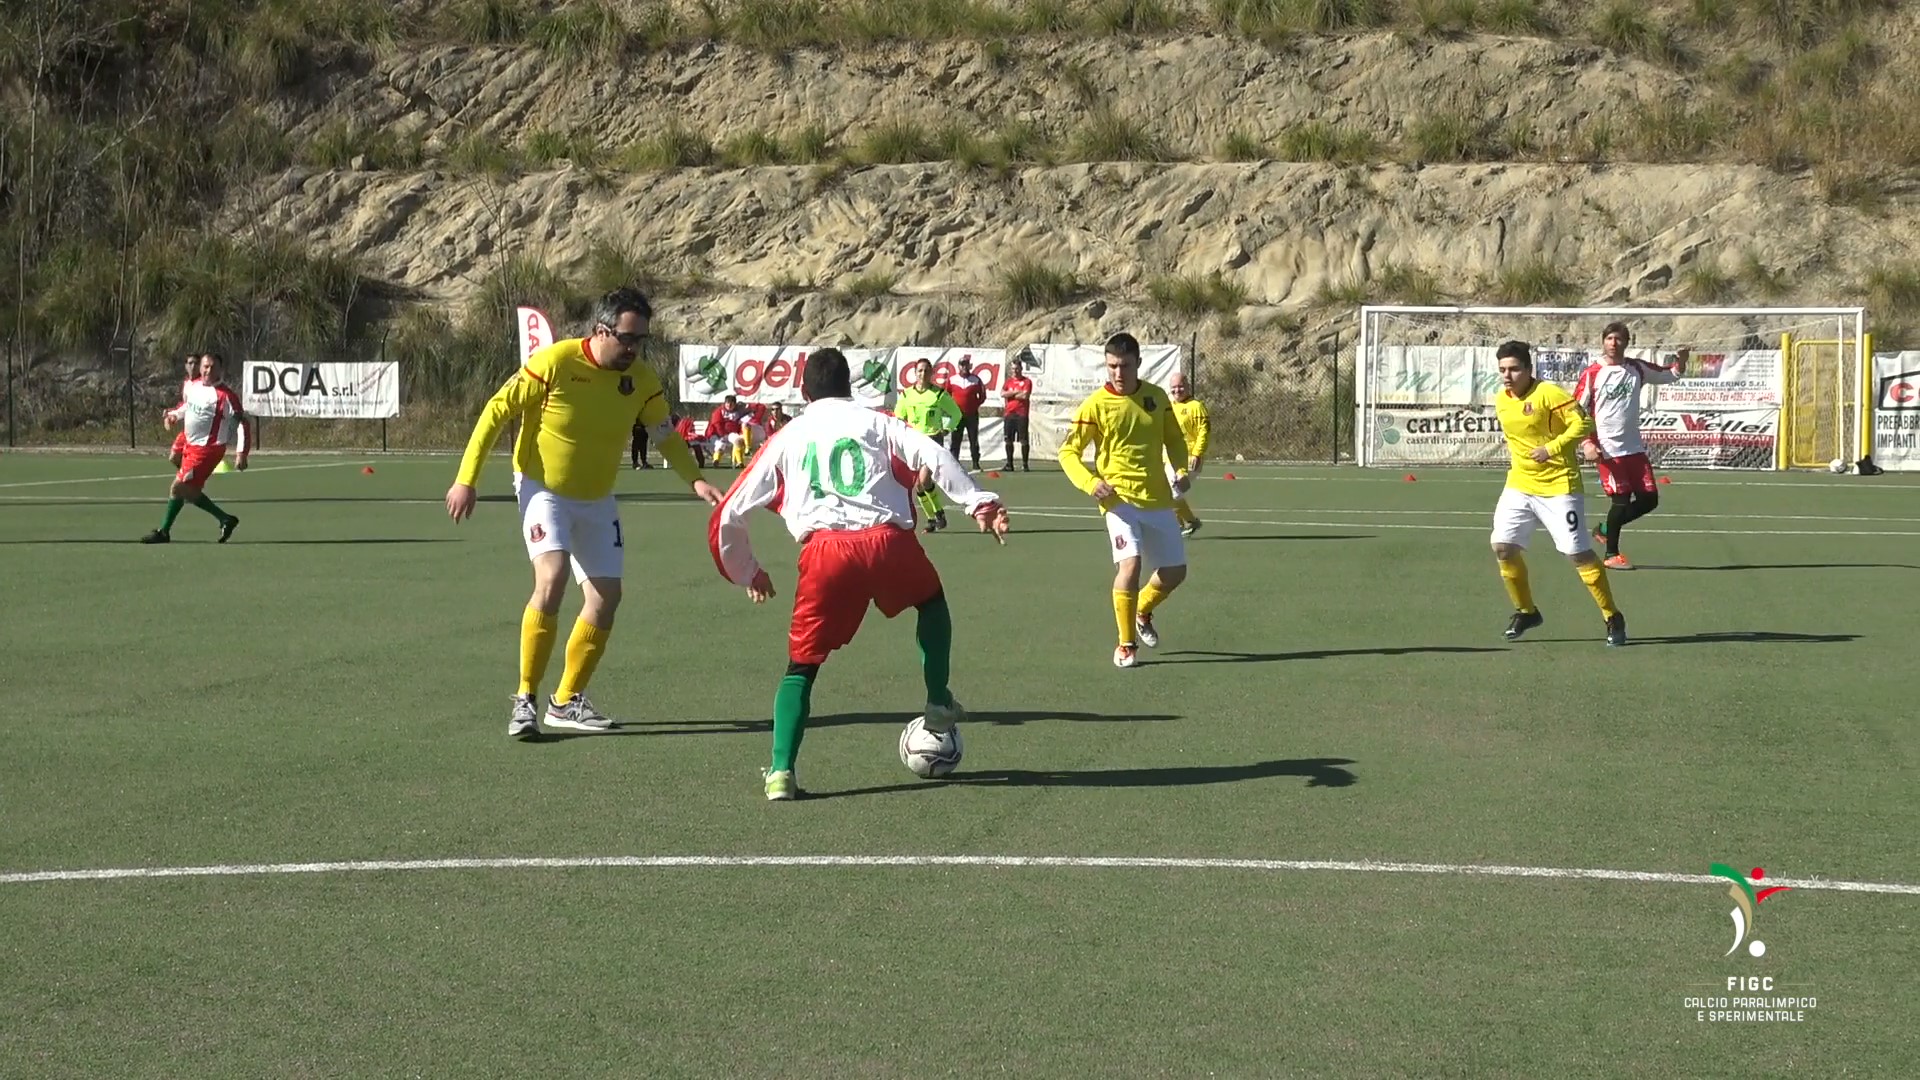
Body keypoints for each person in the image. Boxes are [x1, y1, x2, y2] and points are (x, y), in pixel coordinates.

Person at [709, 347, 1010, 800]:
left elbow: (730, 511)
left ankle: (780, 772)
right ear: (850, 386)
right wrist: (978, 502)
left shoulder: (787, 436)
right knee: (930, 602)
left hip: (825, 555)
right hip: (887, 541)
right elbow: (935, 454)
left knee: (802, 666)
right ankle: (936, 699)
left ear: (804, 391)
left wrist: (748, 571)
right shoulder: (879, 421)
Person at [445, 287, 723, 738]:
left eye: (642, 340)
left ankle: (566, 700)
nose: (634, 348)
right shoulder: (555, 362)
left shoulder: (643, 381)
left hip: (597, 497)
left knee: (605, 599)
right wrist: (466, 479)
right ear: (601, 331)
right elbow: (497, 412)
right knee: (551, 579)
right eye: (627, 338)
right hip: (543, 488)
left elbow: (665, 435)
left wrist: (694, 479)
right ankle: (525, 701)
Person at [1057, 332, 1191, 669]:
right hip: (1119, 500)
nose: (1118, 373)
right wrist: (1090, 482)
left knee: (1175, 572)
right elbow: (1068, 452)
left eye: (1125, 366)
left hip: (1158, 497)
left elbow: (1174, 439)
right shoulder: (1095, 405)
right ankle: (1126, 643)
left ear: (1138, 364)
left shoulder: (1157, 398)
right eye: (1112, 366)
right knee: (1130, 566)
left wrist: (1179, 468)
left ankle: (1143, 609)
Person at [1489, 339, 1626, 647]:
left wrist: (1550, 448)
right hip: (1520, 485)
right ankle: (1526, 611)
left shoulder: (1549, 393)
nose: (1507, 376)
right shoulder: (1501, 398)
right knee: (1502, 547)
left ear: (1528, 369)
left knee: (1578, 555)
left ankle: (1612, 615)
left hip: (1559, 488)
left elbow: (1583, 424)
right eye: (1502, 370)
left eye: (1513, 369)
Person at [1573, 321, 1681, 570]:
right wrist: (1587, 442)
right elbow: (1575, 410)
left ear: (1626, 342)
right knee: (1620, 500)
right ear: (1603, 341)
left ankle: (1603, 529)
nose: (1613, 343)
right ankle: (1611, 554)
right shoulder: (1592, 373)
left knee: (1649, 500)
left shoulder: (1636, 368)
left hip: (1634, 448)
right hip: (1608, 449)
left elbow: (1668, 374)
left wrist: (1681, 362)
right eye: (1609, 338)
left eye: (1619, 339)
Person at [143, 352, 250, 544]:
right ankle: (225, 519)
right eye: (205, 366)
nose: (208, 370)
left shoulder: (226, 397)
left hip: (207, 450)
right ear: (201, 368)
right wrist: (174, 415)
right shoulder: (194, 386)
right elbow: (187, 407)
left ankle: (164, 532)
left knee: (178, 487)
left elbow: (242, 423)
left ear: (220, 370)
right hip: (190, 444)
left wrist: (242, 453)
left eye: (213, 367)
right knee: (187, 491)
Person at [895, 359, 961, 532]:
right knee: (918, 485)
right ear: (915, 373)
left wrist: (947, 429)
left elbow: (956, 414)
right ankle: (934, 517)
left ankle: (937, 516)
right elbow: (898, 418)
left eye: (926, 371)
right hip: (913, 442)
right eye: (920, 371)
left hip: (932, 440)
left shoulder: (939, 394)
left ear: (931, 374)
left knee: (924, 479)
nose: (922, 374)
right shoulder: (906, 395)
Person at [1166, 370, 1210, 537]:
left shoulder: (1196, 407)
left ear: (1188, 387)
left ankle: (1191, 521)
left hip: (1189, 458)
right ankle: (1176, 525)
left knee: (1173, 491)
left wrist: (1197, 454)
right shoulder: (1169, 406)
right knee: (1164, 492)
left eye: (1181, 386)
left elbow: (1203, 432)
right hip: (1169, 457)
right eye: (1174, 387)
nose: (1177, 390)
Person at [944, 357, 986, 470]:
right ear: (959, 366)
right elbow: (946, 395)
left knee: (974, 439)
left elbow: (982, 396)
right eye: (962, 365)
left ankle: (976, 463)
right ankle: (954, 462)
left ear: (969, 366)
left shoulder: (976, 379)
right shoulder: (952, 379)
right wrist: (951, 408)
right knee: (955, 440)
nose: (964, 367)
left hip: (972, 415)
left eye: (966, 365)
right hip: (957, 415)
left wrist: (974, 405)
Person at [1001, 351, 1033, 471]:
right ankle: (1010, 464)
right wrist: (1016, 392)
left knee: (1023, 440)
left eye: (1017, 368)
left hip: (1021, 414)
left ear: (1021, 368)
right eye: (1013, 369)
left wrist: (1011, 394)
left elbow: (1025, 396)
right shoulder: (1009, 381)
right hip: (1009, 414)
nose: (1015, 371)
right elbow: (1002, 393)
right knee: (1008, 440)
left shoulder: (1026, 381)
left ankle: (1025, 464)